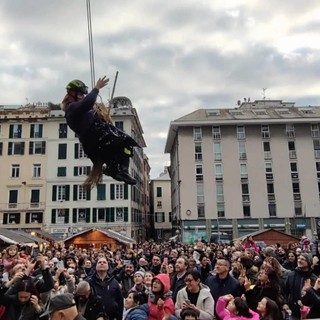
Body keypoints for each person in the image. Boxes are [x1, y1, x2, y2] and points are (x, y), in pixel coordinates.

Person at [61, 77, 140, 187]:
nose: (82, 97)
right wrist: (96, 88)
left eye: (83, 95)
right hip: (97, 138)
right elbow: (87, 103)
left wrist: (104, 117)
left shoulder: (80, 111)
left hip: (96, 140)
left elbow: (89, 110)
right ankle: (120, 170)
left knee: (124, 147)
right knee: (125, 141)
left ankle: (116, 169)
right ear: (72, 94)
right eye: (80, 95)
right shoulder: (72, 108)